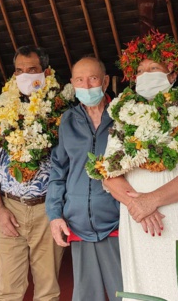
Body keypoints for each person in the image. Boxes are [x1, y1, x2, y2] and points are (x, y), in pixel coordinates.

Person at [96, 31, 178, 300]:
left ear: (172, 74)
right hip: (139, 223)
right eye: (140, 70)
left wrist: (150, 200)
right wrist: (137, 205)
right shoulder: (123, 118)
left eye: (154, 68)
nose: (145, 74)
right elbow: (108, 173)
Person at [0, 46, 72, 300]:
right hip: (10, 209)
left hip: (48, 209)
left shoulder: (62, 111)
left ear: (46, 72)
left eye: (32, 70)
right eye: (19, 70)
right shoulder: (2, 112)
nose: (25, 76)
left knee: (48, 289)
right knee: (7, 289)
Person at [45, 56, 122, 301]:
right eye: (80, 80)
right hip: (78, 221)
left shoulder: (124, 115)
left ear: (106, 81)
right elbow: (58, 171)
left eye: (93, 79)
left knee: (126, 292)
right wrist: (55, 214)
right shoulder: (68, 120)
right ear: (72, 83)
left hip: (118, 220)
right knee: (86, 295)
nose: (87, 86)